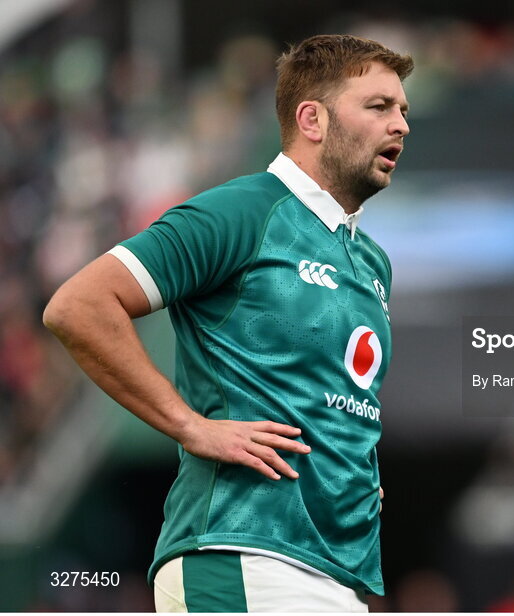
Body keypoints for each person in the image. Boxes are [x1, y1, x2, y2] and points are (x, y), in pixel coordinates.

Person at [43, 34, 412, 612]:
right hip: (241, 557)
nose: (401, 125)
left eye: (403, 110)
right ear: (311, 119)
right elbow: (78, 305)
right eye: (379, 106)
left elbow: (333, 402)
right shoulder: (242, 211)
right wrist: (190, 425)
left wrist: (350, 473)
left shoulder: (370, 262)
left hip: (339, 574)